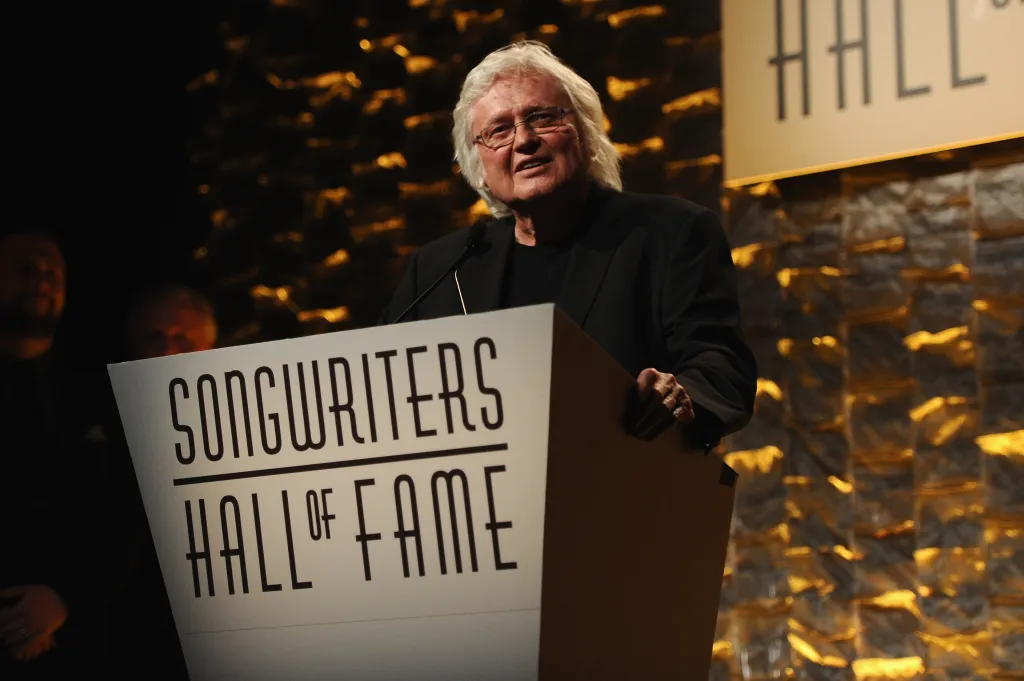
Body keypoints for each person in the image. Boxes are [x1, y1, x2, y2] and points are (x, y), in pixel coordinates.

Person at [379, 41, 757, 449]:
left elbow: (722, 366)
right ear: (480, 170)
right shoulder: (440, 268)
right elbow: (373, 384)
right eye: (499, 130)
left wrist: (679, 395)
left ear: (587, 135)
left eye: (542, 117)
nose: (523, 140)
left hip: (622, 488)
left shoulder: (672, 233)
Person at [0, 227, 82, 677]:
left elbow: (126, 513)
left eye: (54, 273)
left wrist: (64, 599)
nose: (43, 282)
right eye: (26, 269)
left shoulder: (96, 396)